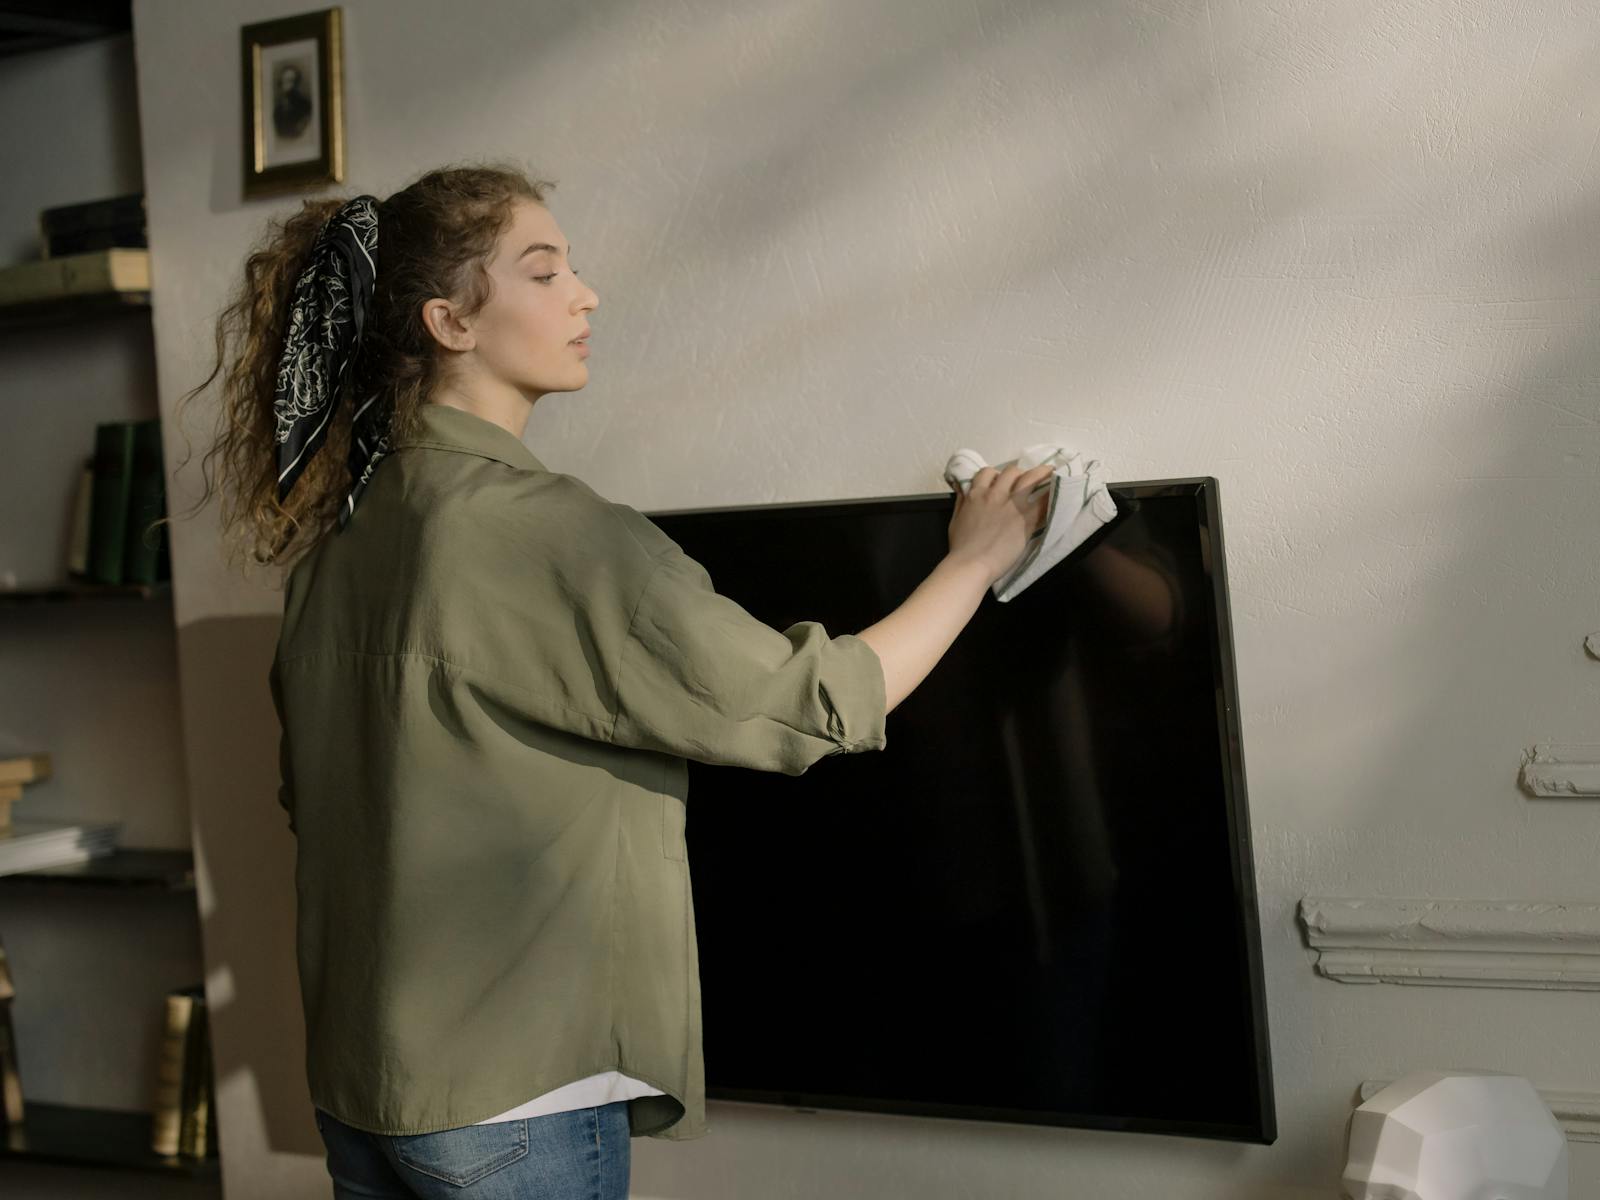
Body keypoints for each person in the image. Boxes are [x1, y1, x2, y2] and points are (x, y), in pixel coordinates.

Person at [166, 161, 1053, 1199]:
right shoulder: (552, 536)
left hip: (368, 1096)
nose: (585, 296)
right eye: (544, 273)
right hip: (515, 1103)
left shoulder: (336, 541)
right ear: (451, 322)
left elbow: (317, 800)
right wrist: (974, 561)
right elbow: (807, 705)